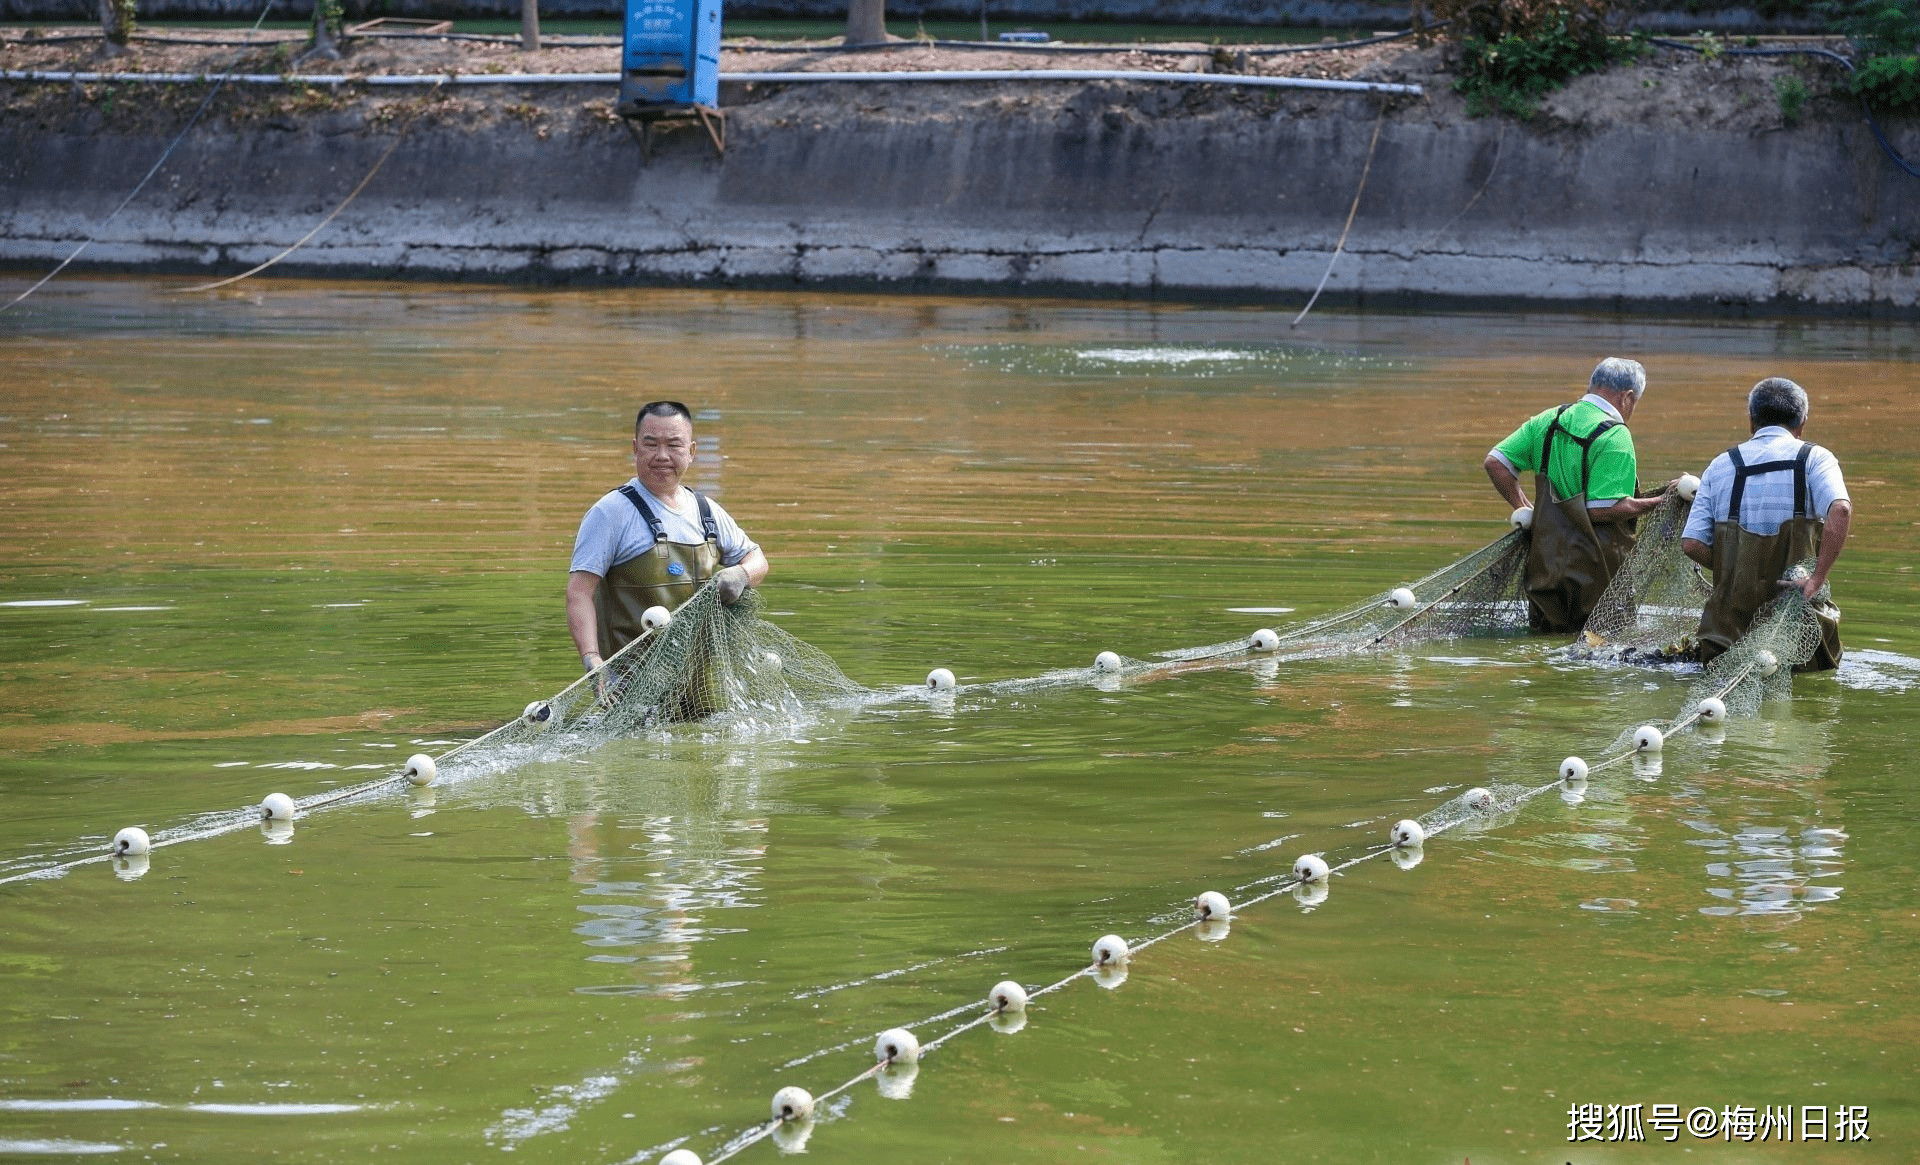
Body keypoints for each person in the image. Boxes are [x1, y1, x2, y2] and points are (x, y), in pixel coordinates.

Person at [566, 401, 770, 675]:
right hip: (631, 683)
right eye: (651, 445)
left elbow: (757, 559)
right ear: (635, 448)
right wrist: (592, 660)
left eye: (673, 445)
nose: (662, 456)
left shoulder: (706, 511)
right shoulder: (610, 513)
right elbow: (579, 592)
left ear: (691, 451)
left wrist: (742, 575)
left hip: (704, 680)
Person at [1484, 357, 1669, 633]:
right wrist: (1660, 501)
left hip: (1544, 567)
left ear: (1591, 386)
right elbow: (1601, 509)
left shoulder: (1547, 421)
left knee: (1544, 639)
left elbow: (1495, 463)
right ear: (1627, 397)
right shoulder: (1615, 435)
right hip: (1596, 574)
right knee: (1602, 646)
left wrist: (1523, 506)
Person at [1681, 377, 1849, 671]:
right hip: (1797, 629)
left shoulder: (1720, 465)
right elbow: (1841, 511)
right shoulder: (1815, 459)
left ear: (1751, 421)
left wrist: (1738, 571)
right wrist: (1817, 579)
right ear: (1803, 422)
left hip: (1726, 632)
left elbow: (1692, 544)